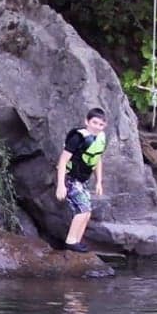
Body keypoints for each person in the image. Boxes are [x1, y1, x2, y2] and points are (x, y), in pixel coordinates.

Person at [54, 107, 108, 252]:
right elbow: (63, 161)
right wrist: (61, 185)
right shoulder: (78, 137)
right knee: (83, 209)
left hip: (82, 180)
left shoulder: (100, 139)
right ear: (87, 121)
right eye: (94, 123)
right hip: (70, 179)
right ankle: (71, 241)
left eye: (101, 124)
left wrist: (99, 182)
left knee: (87, 212)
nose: (97, 127)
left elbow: (97, 159)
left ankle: (77, 241)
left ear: (104, 126)